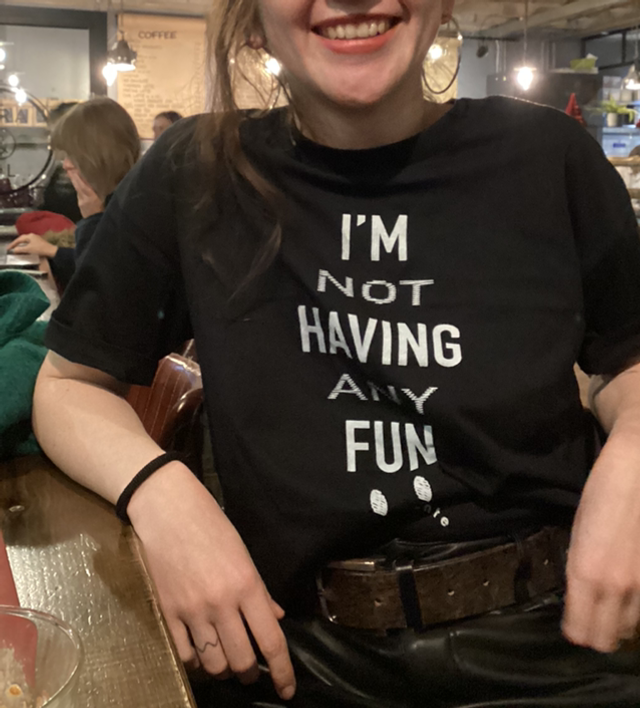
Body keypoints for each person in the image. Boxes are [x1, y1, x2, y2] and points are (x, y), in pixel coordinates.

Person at [32, 1, 640, 706]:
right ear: (253, 18)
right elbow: (67, 386)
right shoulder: (193, 171)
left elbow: (626, 358)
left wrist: (632, 456)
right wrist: (164, 497)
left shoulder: (549, 156)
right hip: (291, 651)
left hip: (559, 638)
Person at [8, 98, 140, 290]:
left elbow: (99, 285)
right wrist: (53, 251)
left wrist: (93, 218)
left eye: (73, 155)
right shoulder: (122, 196)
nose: (66, 164)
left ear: (100, 154)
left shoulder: (136, 209)